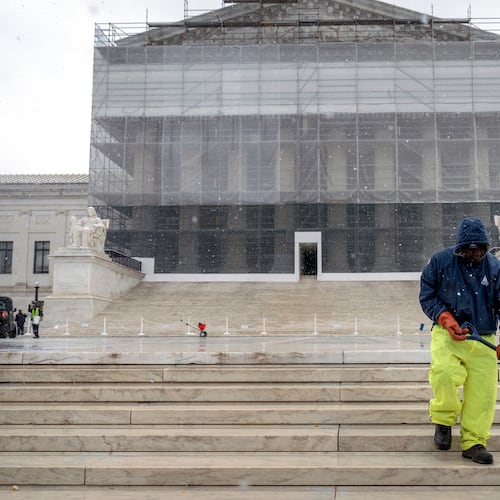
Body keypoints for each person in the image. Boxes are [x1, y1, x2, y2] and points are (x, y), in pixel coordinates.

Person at [419, 217, 500, 465]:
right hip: (448, 333)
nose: (473, 253)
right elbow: (427, 294)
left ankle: (474, 442)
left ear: (485, 247)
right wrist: (445, 318)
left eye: (478, 249)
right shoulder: (441, 261)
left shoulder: (495, 268)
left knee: (483, 394)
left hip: (483, 336)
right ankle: (443, 420)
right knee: (443, 373)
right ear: (460, 247)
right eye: (469, 248)